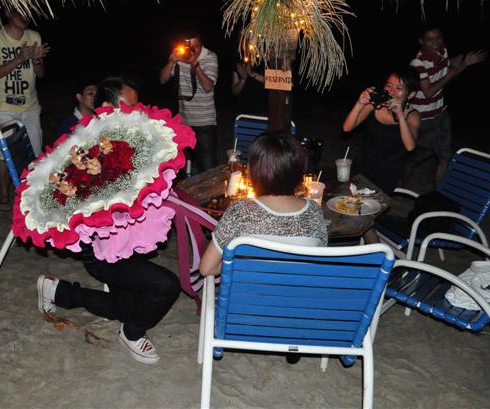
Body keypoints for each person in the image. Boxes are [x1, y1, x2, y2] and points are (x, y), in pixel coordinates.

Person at [36, 78, 179, 365]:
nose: (137, 111)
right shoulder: (89, 150)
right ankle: (133, 334)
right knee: (166, 285)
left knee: (122, 308)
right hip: (103, 252)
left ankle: (58, 291)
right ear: (105, 107)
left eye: (137, 105)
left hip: (124, 245)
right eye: (130, 105)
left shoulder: (124, 139)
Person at [199, 131, 328, 277]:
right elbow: (319, 258)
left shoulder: (240, 211)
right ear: (300, 172)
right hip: (298, 290)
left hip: (248, 291)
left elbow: (206, 269)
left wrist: (237, 264)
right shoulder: (314, 212)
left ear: (253, 171)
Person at [342, 67, 421, 243]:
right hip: (362, 169)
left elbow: (410, 146)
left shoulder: (412, 115)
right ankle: (376, 250)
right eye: (389, 85)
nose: (391, 91)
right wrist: (360, 103)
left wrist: (400, 115)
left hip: (386, 177)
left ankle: (375, 251)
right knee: (352, 211)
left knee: (360, 214)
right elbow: (347, 128)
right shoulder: (374, 105)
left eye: (399, 88)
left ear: (411, 94)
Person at [405, 25, 486, 187]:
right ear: (421, 41)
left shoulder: (443, 52)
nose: (435, 43)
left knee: (444, 157)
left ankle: (437, 195)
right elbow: (429, 92)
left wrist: (464, 63)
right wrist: (452, 71)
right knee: (416, 157)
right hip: (422, 118)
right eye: (429, 40)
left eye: (438, 38)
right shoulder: (418, 63)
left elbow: (446, 76)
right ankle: (402, 187)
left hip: (441, 113)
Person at [0, 8, 50, 210]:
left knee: (35, 153)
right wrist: (20, 58)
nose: (25, 17)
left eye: (27, 13)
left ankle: (32, 197)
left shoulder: (34, 36)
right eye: (19, 12)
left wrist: (36, 59)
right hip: (5, 106)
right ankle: (4, 196)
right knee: (3, 153)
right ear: (8, 13)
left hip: (30, 106)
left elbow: (40, 74)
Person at [159, 28, 218, 175]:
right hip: (184, 121)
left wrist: (195, 64)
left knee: (208, 168)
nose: (192, 51)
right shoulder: (179, 57)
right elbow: (163, 79)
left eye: (195, 47)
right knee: (186, 166)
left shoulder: (210, 56)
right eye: (188, 47)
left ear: (201, 43)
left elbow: (208, 86)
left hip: (205, 121)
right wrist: (172, 61)